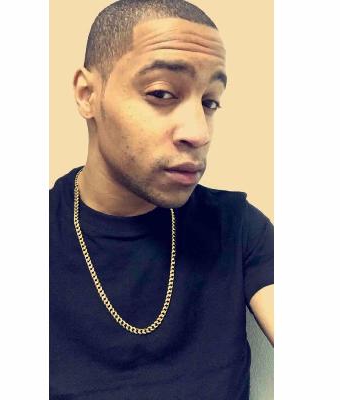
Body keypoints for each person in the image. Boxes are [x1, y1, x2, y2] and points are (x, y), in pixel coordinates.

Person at [49, 0, 274, 398]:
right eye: (162, 93)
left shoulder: (236, 226)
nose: (199, 133)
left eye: (210, 102)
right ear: (87, 94)